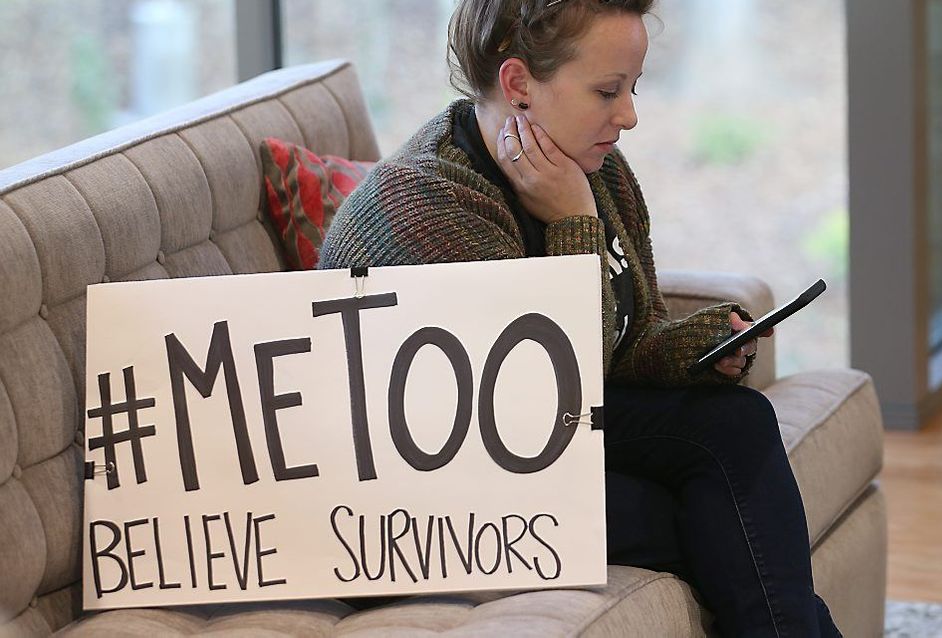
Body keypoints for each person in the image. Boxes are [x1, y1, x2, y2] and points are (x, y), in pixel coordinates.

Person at [318, 0, 842, 635]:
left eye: (632, 88)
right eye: (607, 91)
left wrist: (695, 347)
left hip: (549, 437)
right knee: (728, 516)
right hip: (447, 485)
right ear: (518, 86)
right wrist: (573, 223)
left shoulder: (598, 169)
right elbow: (537, 399)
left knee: (734, 452)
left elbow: (617, 347)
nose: (628, 116)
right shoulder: (424, 208)